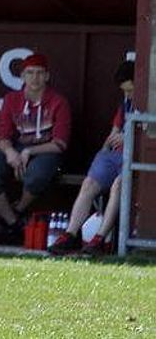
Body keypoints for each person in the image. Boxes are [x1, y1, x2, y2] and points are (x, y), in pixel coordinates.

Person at [0, 53, 71, 239]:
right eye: (30, 73)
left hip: (46, 149)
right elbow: (2, 136)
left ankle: (18, 209)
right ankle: (13, 222)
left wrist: (29, 151)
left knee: (36, 176)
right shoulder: (12, 99)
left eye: (40, 73)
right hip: (18, 147)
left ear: (47, 76)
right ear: (23, 76)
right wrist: (10, 152)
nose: (35, 78)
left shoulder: (59, 102)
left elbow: (60, 143)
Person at [49, 60, 135, 256]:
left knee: (118, 185)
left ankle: (99, 238)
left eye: (131, 90)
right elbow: (114, 133)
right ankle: (70, 234)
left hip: (135, 159)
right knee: (88, 183)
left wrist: (127, 137)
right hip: (116, 155)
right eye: (125, 91)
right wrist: (106, 148)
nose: (128, 95)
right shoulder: (125, 104)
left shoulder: (150, 102)